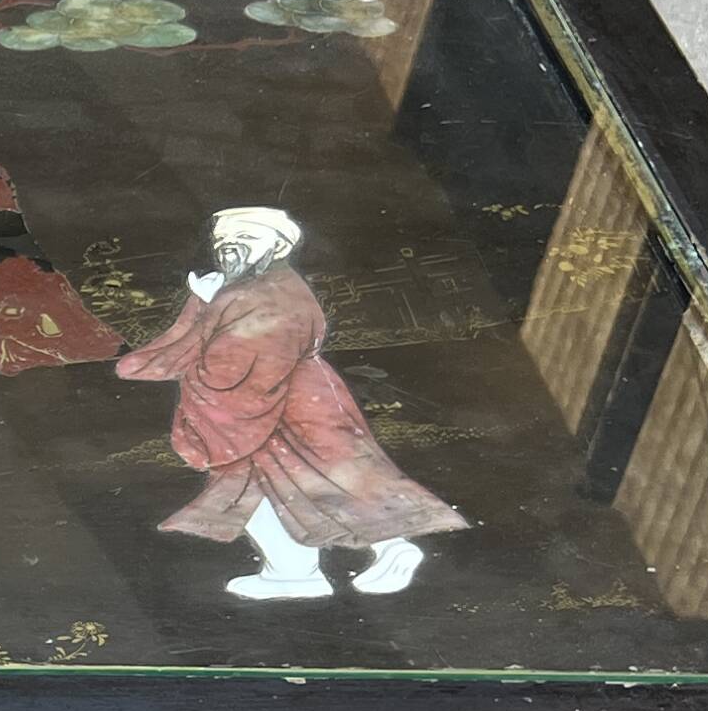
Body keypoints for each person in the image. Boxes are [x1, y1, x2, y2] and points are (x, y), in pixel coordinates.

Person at [112, 204, 469, 599]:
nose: (231, 247)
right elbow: (203, 347)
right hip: (287, 402)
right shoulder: (245, 289)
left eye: (245, 238)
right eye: (224, 240)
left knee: (321, 484)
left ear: (279, 245)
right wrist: (205, 302)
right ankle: (300, 573)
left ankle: (384, 549)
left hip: (282, 404)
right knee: (278, 491)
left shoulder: (269, 294)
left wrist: (209, 308)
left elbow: (232, 365)